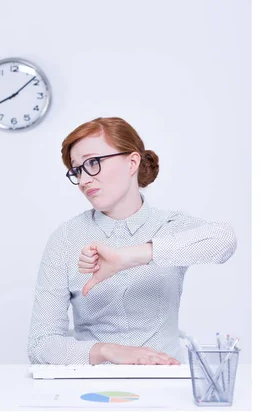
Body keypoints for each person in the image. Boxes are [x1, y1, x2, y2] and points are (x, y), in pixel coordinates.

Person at [27, 117, 236, 365]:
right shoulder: (66, 238)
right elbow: (41, 344)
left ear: (132, 162)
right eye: (77, 170)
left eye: (93, 163)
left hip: (164, 382)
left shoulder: (170, 226)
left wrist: (130, 256)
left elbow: (224, 239)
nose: (83, 181)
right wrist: (105, 350)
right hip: (91, 384)